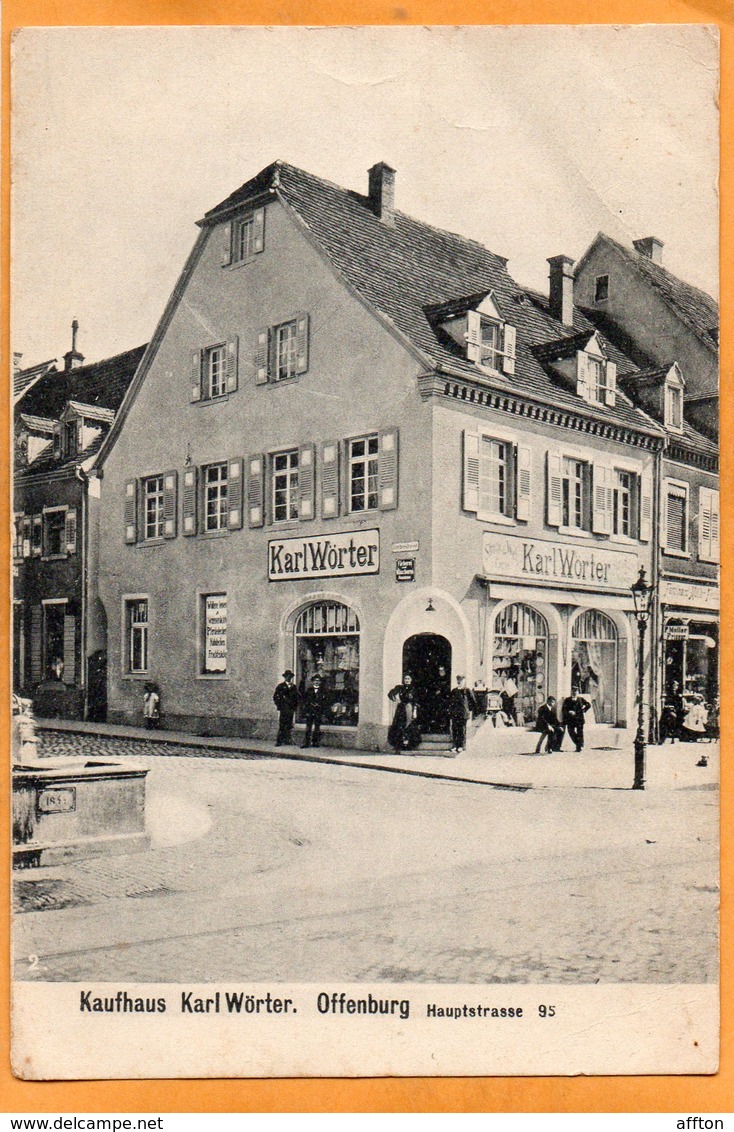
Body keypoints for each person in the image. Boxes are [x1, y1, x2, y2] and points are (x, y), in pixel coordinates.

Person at [387, 674, 420, 753]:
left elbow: (415, 700)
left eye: (408, 678)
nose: (407, 680)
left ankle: (409, 745)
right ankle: (399, 745)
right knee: (399, 725)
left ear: (411, 680)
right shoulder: (400, 688)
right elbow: (390, 694)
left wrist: (415, 710)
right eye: (405, 678)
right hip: (401, 708)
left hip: (409, 707)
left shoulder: (413, 689)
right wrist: (395, 699)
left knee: (409, 724)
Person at [448, 675, 476, 753]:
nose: (459, 682)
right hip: (455, 714)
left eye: (461, 681)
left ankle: (461, 746)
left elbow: (473, 702)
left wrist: (467, 710)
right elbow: (450, 702)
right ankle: (455, 746)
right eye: (458, 681)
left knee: (462, 730)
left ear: (464, 681)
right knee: (454, 729)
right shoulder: (454, 691)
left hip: (463, 714)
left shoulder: (467, 691)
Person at [273, 669, 299, 746]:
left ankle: (287, 740)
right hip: (284, 708)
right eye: (287, 676)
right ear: (285, 677)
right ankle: (279, 741)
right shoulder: (280, 686)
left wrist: (294, 706)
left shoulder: (293, 687)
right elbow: (275, 697)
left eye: (290, 676)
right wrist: (280, 705)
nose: (288, 678)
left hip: (291, 709)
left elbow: (296, 697)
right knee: (282, 724)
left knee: (289, 724)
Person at [302, 675, 328, 748]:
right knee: (308, 727)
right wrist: (310, 704)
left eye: (318, 680)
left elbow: (326, 701)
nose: (317, 682)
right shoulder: (309, 690)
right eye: (315, 680)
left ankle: (315, 742)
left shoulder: (323, 691)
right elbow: (305, 700)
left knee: (317, 727)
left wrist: (319, 704)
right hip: (310, 711)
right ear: (313, 682)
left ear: (320, 682)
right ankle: (306, 742)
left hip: (318, 711)